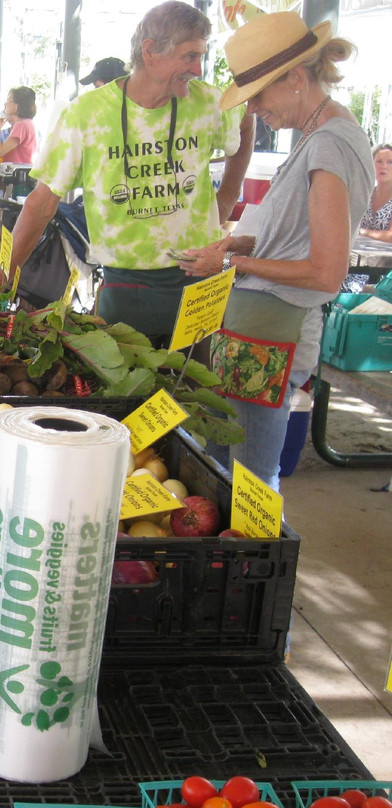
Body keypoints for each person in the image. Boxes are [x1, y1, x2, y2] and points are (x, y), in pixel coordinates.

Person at [178, 12, 373, 490]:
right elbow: (303, 238)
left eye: (258, 95)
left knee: (251, 473)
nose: (255, 110)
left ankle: (251, 559)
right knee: (223, 462)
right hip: (259, 330)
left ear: (295, 78)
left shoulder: (330, 143)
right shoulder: (319, 134)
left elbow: (326, 272)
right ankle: (232, 555)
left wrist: (229, 262)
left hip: (274, 334)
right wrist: (243, 243)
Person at [7, 0, 254, 345]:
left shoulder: (209, 102)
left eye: (201, 56)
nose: (198, 69)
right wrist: (6, 273)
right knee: (125, 392)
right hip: (126, 286)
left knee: (193, 393)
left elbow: (245, 119)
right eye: (189, 56)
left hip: (199, 282)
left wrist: (228, 193)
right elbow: (42, 201)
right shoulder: (87, 114)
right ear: (150, 51)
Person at [0, 86, 37, 164]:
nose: (5, 103)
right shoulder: (28, 123)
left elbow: (0, 151)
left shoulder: (22, 125)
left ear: (17, 106)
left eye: (9, 100)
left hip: (17, 174)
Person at [359, 143, 392, 242]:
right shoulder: (365, 194)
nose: (384, 166)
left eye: (390, 162)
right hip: (358, 254)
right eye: (379, 161)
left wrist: (362, 232)